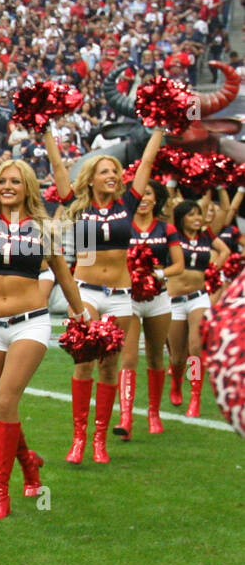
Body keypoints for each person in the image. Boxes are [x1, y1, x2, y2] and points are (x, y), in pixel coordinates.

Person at [0, 131, 87, 518]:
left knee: (7, 400)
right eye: (2, 181)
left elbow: (64, 273)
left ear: (27, 188)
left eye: (16, 181)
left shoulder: (42, 227)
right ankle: (29, 468)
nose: (8, 186)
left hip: (31, 325)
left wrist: (81, 316)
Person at [50, 126, 162, 463]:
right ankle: (79, 439)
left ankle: (100, 439)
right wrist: (45, 135)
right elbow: (58, 170)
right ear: (91, 179)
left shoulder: (128, 203)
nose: (112, 175)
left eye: (115, 171)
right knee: (83, 363)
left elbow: (146, 163)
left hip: (120, 295)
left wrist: (159, 127)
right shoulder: (78, 206)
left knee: (110, 367)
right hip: (86, 292)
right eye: (105, 172)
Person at [126, 180, 184, 434]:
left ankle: (154, 412)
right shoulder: (123, 226)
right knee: (127, 358)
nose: (144, 198)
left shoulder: (166, 227)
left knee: (156, 355)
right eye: (140, 194)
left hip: (160, 297)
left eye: (149, 194)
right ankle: (126, 417)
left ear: (156, 198)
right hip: (129, 298)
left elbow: (178, 266)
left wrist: (157, 275)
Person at [167, 198, 230, 418]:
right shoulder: (172, 235)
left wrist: (213, 269)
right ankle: (176, 382)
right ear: (182, 217)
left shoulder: (206, 236)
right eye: (191, 215)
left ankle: (195, 395)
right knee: (177, 357)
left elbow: (224, 251)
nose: (197, 219)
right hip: (174, 300)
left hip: (198, 298)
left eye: (198, 214)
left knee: (196, 348)